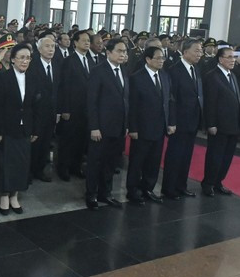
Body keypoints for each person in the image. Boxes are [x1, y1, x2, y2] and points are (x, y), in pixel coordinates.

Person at [0, 44, 41, 214]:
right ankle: (4, 195)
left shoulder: (33, 78)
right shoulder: (3, 78)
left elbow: (35, 107)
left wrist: (35, 129)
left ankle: (15, 195)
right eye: (21, 57)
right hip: (7, 127)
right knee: (6, 163)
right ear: (12, 59)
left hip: (25, 127)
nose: (25, 61)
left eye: (28, 58)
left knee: (22, 163)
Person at [85, 38, 128, 209]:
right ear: (108, 52)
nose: (123, 54)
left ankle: (106, 193)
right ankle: (91, 195)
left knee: (111, 162)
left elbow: (126, 100)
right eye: (119, 51)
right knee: (96, 162)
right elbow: (91, 101)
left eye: (124, 51)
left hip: (118, 127)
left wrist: (126, 124)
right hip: (101, 127)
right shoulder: (98, 71)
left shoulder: (124, 71)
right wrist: (94, 127)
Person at [126, 46, 172, 206]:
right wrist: (133, 128)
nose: (161, 61)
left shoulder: (165, 76)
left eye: (163, 58)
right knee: (137, 161)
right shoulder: (137, 78)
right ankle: (132, 190)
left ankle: (147, 188)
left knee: (154, 161)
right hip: (142, 128)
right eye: (158, 58)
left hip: (159, 127)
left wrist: (170, 122)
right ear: (148, 59)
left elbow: (168, 102)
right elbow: (132, 106)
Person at [161, 38, 203, 200]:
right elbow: (171, 99)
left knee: (186, 155)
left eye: (200, 51)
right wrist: (172, 121)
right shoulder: (174, 70)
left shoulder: (195, 69)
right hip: (178, 121)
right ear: (185, 52)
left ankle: (181, 185)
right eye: (196, 51)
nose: (199, 54)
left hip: (192, 120)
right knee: (175, 155)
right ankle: (169, 188)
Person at [201, 46, 240, 196]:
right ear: (220, 59)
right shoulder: (212, 76)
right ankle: (208, 183)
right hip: (219, 125)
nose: (233, 60)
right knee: (215, 156)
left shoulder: (232, 76)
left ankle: (218, 181)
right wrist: (211, 123)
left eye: (234, 57)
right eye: (229, 57)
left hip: (233, 124)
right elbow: (210, 102)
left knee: (227, 157)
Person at [58, 30, 92, 181]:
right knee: (68, 141)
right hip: (72, 108)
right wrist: (65, 108)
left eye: (88, 40)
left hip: (86, 109)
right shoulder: (69, 61)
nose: (87, 43)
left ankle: (76, 166)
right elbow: (64, 86)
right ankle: (63, 168)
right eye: (84, 40)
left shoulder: (91, 60)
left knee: (81, 140)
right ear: (75, 42)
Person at [27, 36, 60, 182]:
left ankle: (39, 170)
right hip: (35, 112)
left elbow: (60, 89)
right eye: (47, 46)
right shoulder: (32, 65)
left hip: (51, 112)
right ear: (39, 49)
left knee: (46, 144)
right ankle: (28, 171)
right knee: (33, 143)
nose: (50, 49)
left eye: (53, 46)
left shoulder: (57, 65)